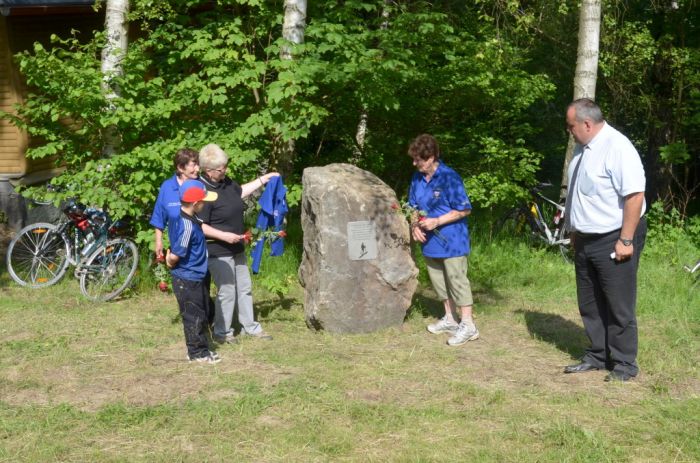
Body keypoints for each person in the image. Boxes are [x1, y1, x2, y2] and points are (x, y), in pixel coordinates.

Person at [563, 98, 647, 382]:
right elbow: (580, 194)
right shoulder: (582, 149)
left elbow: (635, 195)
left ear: (587, 124)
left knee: (618, 303)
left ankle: (624, 363)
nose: (569, 131)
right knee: (589, 302)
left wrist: (625, 239)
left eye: (571, 126)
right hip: (586, 238)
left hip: (614, 235)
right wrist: (574, 232)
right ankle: (598, 355)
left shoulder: (618, 147)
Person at [197, 143, 279, 344]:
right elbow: (200, 226)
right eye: (221, 168)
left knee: (244, 287)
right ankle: (222, 332)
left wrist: (263, 179)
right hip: (218, 250)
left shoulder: (225, 182)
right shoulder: (202, 190)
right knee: (227, 290)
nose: (225, 170)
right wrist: (224, 236)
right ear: (208, 171)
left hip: (237, 247)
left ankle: (250, 326)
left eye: (225, 165)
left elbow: (239, 192)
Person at [408, 134, 478, 346]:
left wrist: (437, 221)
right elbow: (412, 206)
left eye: (418, 159)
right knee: (439, 283)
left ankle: (469, 325)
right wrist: (414, 226)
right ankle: (450, 318)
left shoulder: (450, 177)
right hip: (430, 243)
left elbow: (464, 209)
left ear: (430, 158)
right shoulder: (417, 178)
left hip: (452, 241)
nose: (414, 163)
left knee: (457, 281)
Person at [165, 179, 220, 364]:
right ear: (196, 204)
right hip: (187, 277)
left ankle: (202, 346)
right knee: (193, 316)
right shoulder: (187, 225)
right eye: (203, 201)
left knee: (204, 311)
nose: (205, 204)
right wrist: (169, 260)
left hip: (198, 274)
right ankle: (197, 353)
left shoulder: (190, 217)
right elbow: (177, 252)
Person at [150, 149, 200, 260]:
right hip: (177, 252)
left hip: (200, 253)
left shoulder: (201, 185)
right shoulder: (167, 187)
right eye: (194, 165)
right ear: (180, 168)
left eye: (198, 164)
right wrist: (159, 241)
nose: (198, 169)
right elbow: (159, 216)